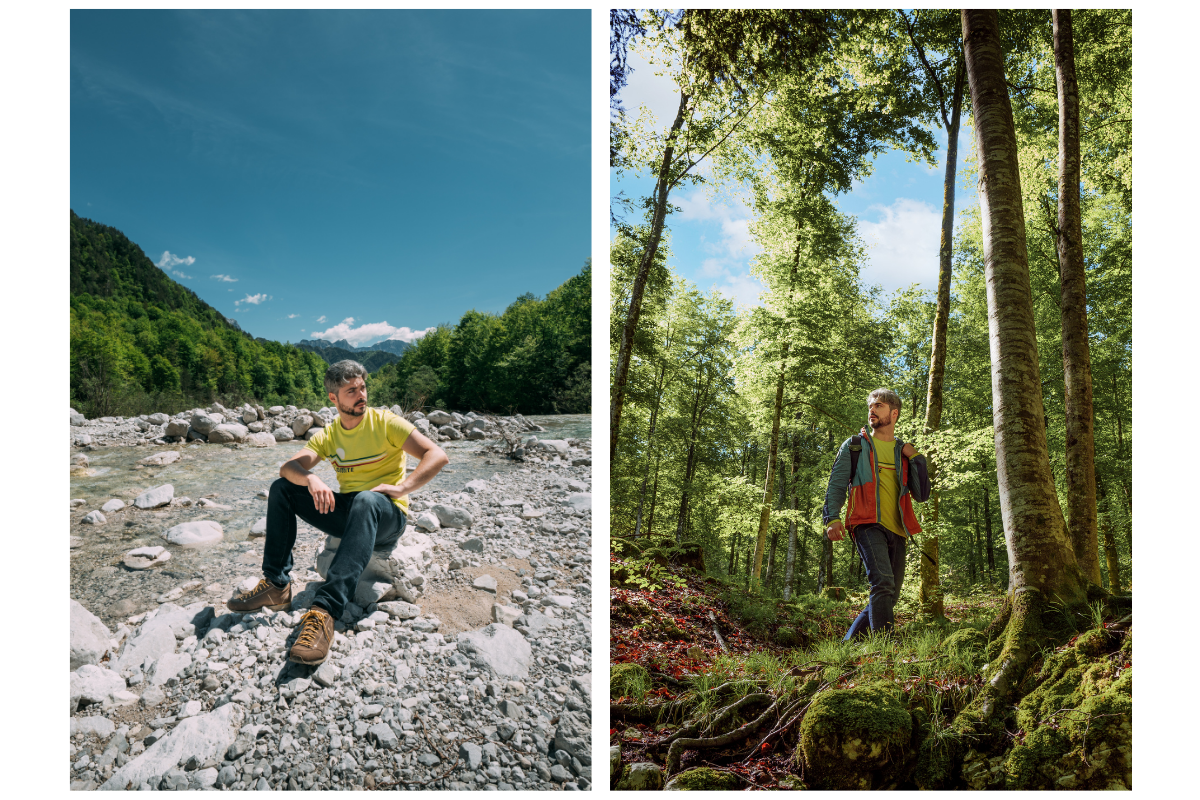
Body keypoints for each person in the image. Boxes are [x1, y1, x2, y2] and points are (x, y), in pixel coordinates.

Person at [227, 359, 449, 665]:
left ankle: (324, 612)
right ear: (334, 398)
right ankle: (277, 585)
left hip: (386, 514)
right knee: (282, 488)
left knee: (366, 499)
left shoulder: (385, 422)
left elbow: (436, 455)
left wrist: (403, 488)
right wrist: (311, 478)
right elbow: (288, 467)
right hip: (352, 512)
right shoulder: (330, 435)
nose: (361, 395)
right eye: (351, 391)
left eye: (362, 387)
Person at [822, 388, 930, 640]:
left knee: (890, 594)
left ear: (894, 413)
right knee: (882, 583)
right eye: (871, 406)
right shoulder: (856, 446)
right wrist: (832, 518)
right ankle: (885, 646)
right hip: (866, 522)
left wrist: (916, 458)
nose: (872, 410)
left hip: (898, 528)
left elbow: (922, 494)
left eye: (878, 406)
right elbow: (837, 483)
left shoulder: (903, 452)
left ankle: (849, 644)